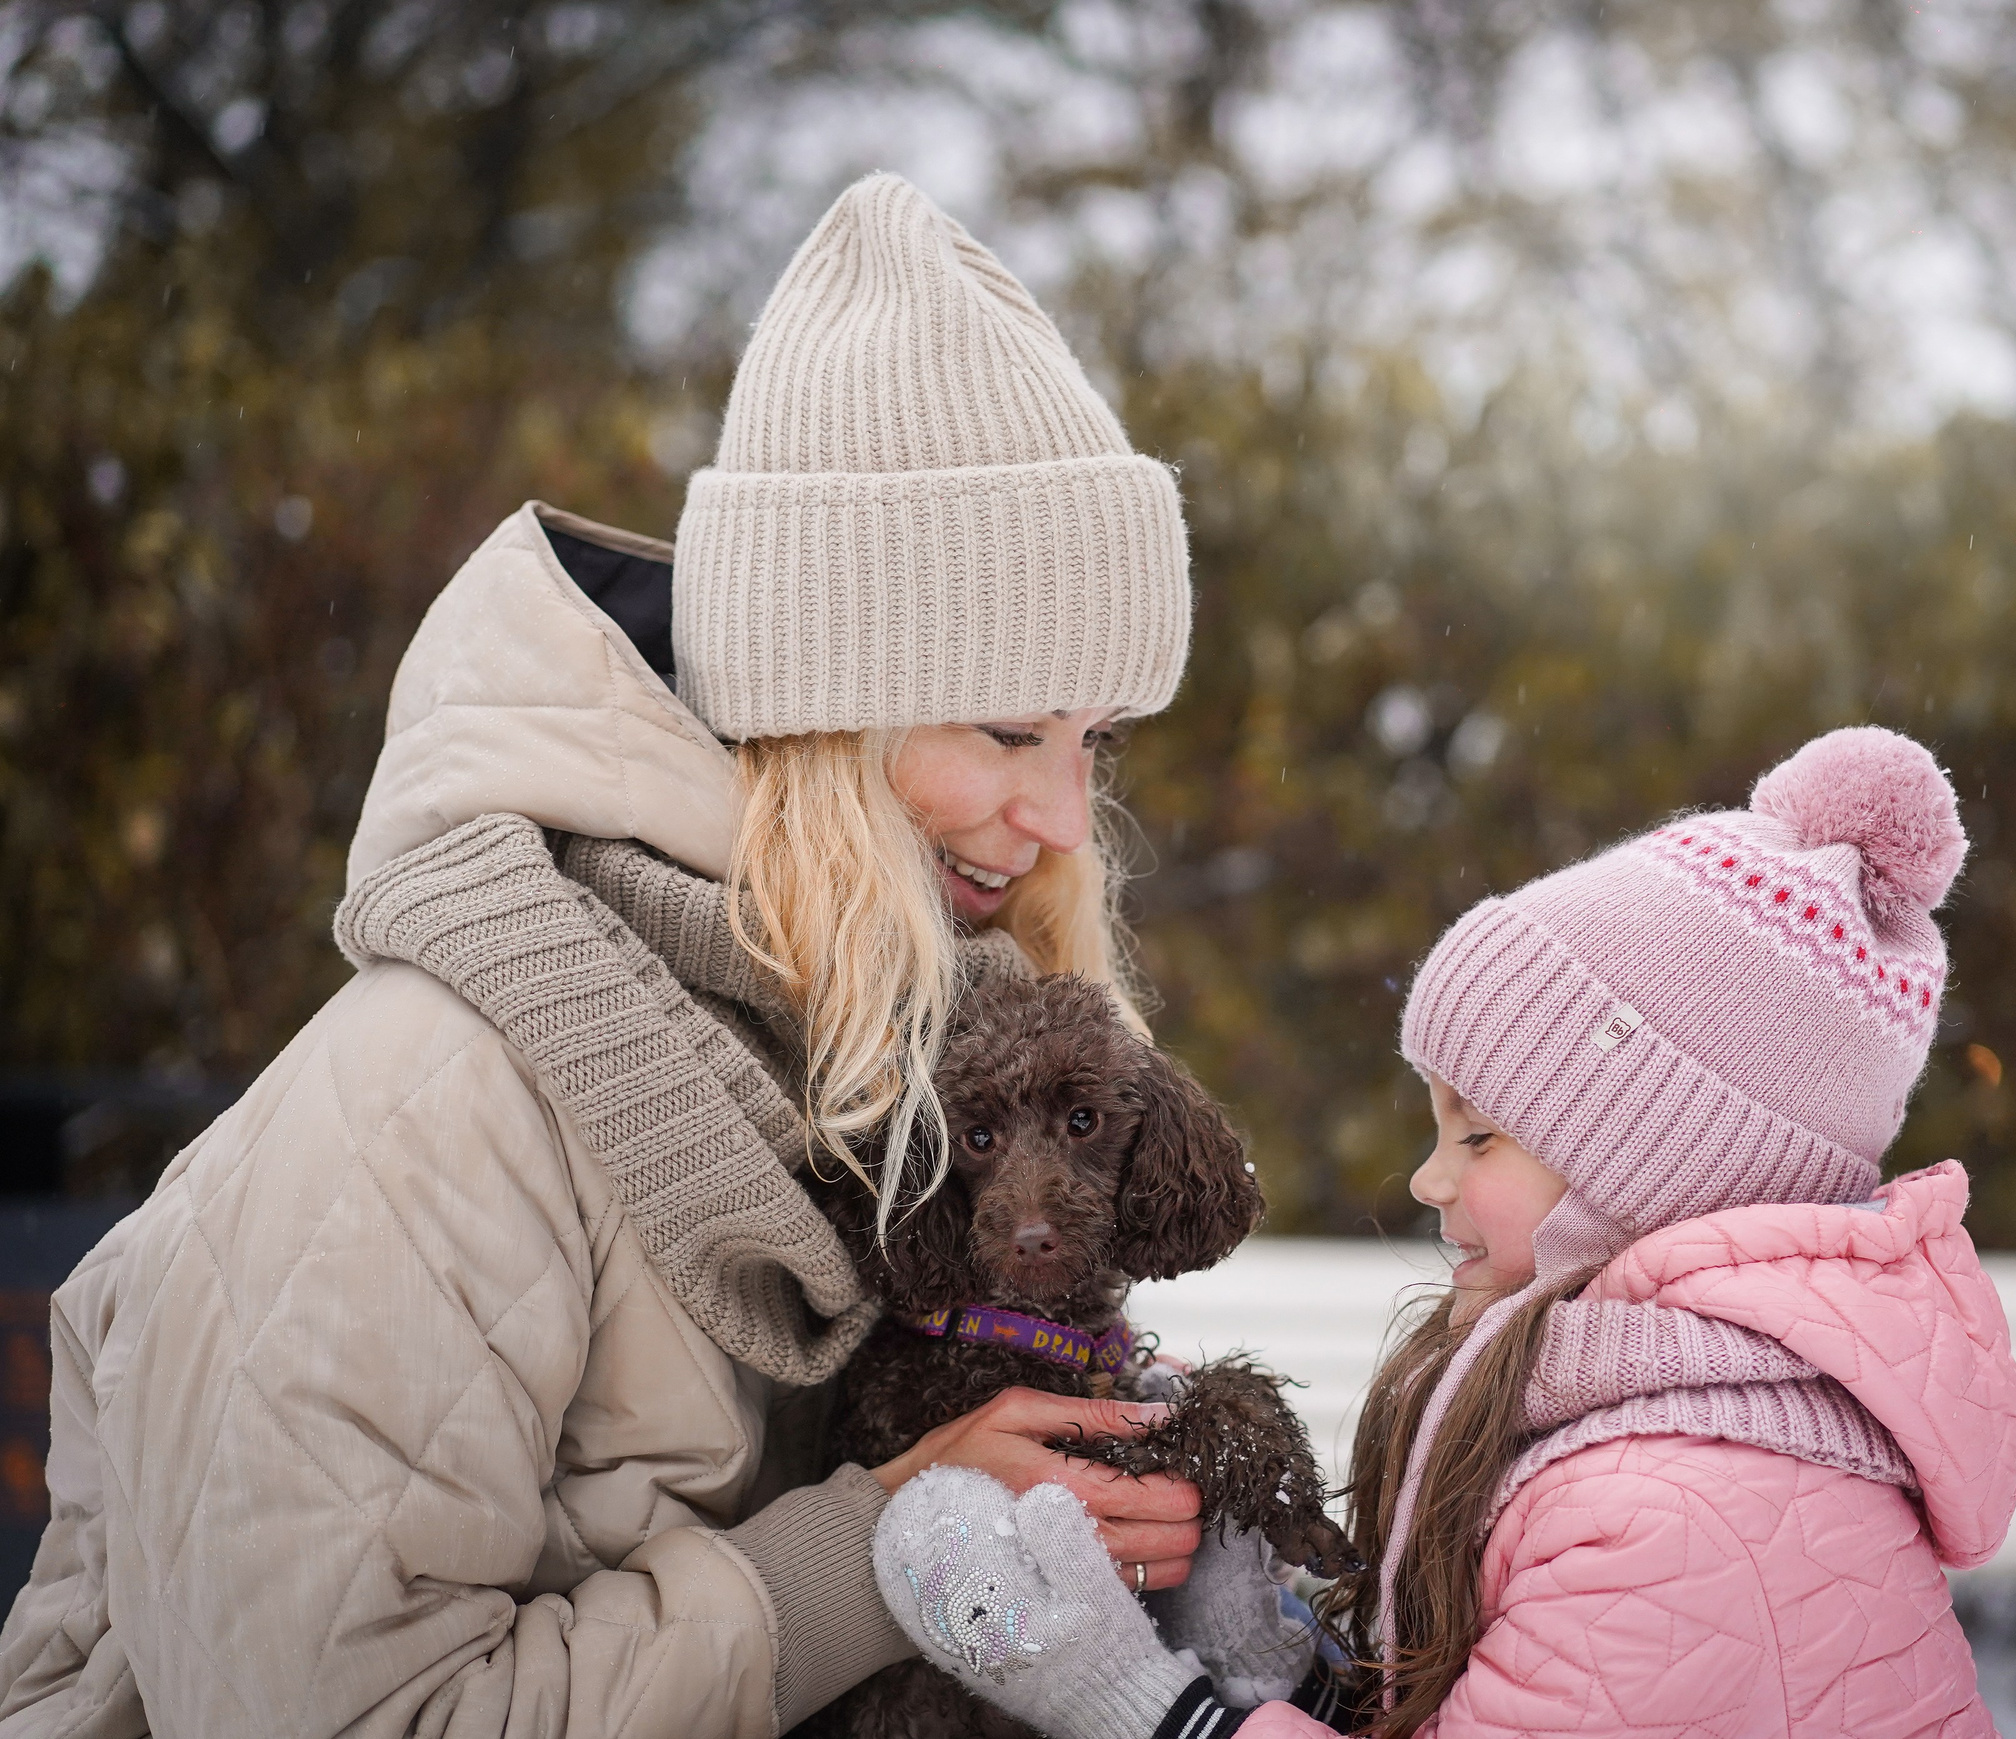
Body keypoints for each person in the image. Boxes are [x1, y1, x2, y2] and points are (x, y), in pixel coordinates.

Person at [0, 173, 1209, 1738]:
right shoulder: (434, 1097)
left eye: (1094, 738)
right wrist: (875, 1550)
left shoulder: (901, 1077)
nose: (1060, 814)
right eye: (1004, 726)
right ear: (820, 714)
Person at [864, 726, 2016, 1737]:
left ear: (1653, 1163)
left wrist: (1132, 1696)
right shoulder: (1624, 1416)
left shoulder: (1669, 1520)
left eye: (1478, 1139)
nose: (1427, 1178)